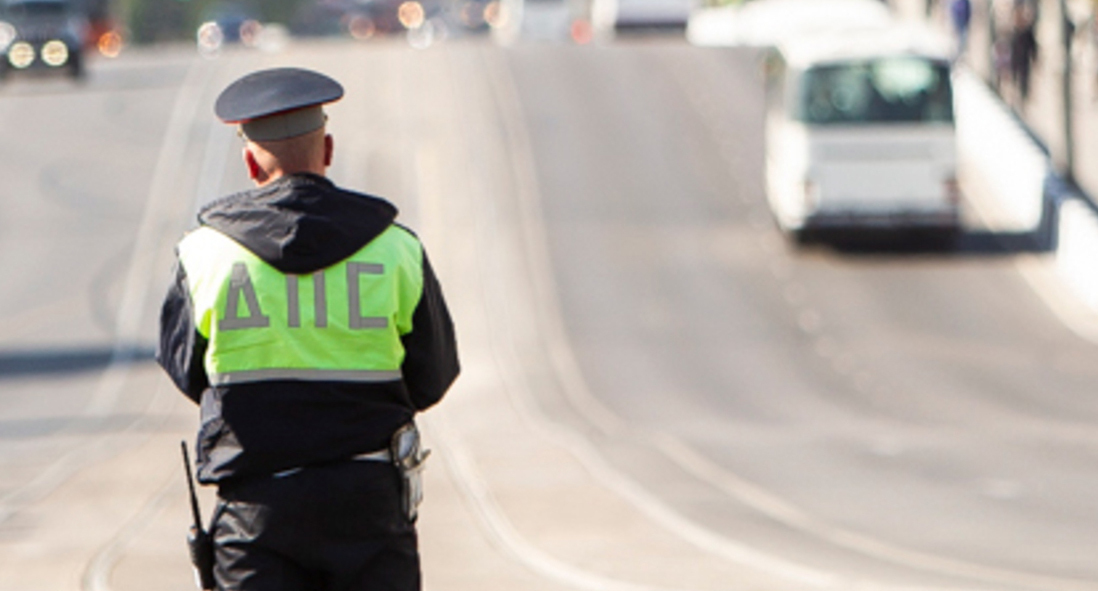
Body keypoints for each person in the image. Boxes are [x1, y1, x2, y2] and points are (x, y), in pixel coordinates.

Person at [157, 67, 460, 591]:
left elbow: (188, 372)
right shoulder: (397, 248)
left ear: (251, 162)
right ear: (329, 150)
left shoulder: (202, 254)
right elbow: (433, 376)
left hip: (255, 516)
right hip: (369, 509)